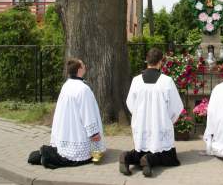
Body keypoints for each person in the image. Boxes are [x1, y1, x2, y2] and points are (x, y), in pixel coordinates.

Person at [27, 58, 105, 169]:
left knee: (70, 154)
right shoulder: (83, 89)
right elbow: (88, 113)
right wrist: (94, 133)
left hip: (67, 132)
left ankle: (43, 155)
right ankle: (46, 156)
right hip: (78, 134)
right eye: (83, 65)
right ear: (79, 69)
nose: (85, 66)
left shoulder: (67, 85)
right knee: (78, 159)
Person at [119, 48, 183, 177]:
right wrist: (167, 120)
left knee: (140, 149)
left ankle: (127, 157)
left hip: (141, 124)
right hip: (160, 124)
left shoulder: (136, 80)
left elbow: (130, 103)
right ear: (160, 62)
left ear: (146, 60)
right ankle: (148, 160)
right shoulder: (166, 81)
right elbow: (176, 106)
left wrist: (139, 116)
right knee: (167, 156)